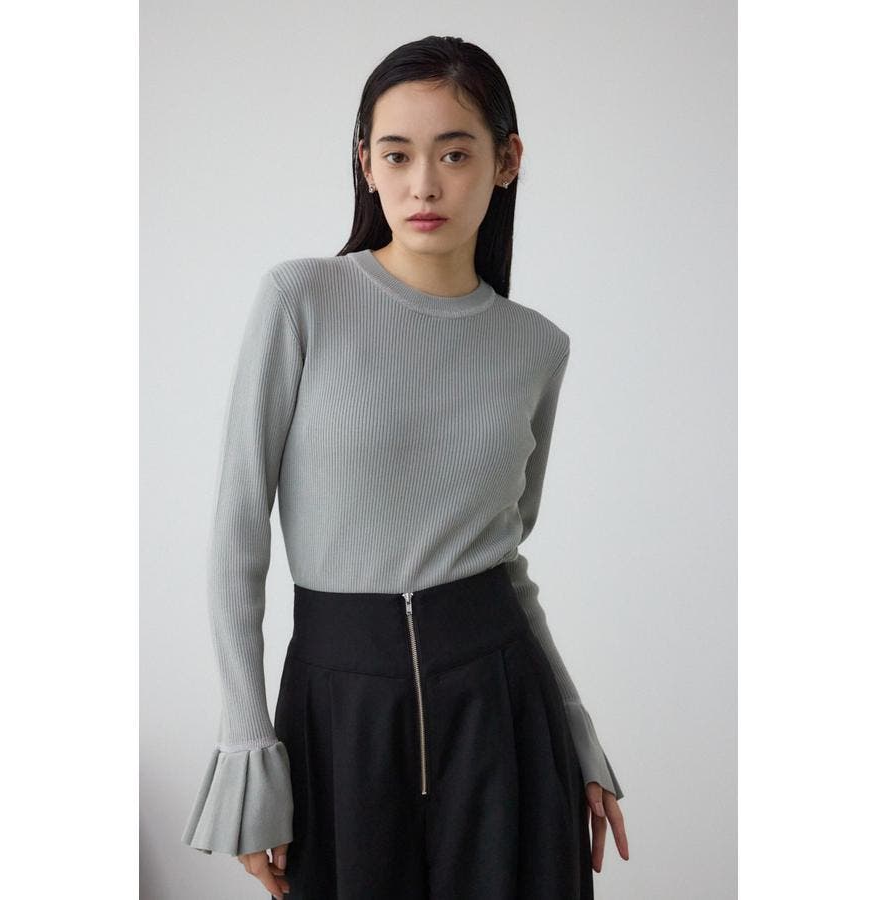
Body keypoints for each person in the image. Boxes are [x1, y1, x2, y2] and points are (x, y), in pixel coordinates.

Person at [181, 35, 629, 899]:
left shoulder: (535, 346)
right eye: (396, 154)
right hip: (337, 717)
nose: (423, 185)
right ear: (366, 164)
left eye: (455, 154)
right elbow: (238, 535)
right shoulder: (300, 301)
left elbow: (505, 559)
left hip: (504, 716)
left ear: (507, 161)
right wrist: (248, 746)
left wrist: (575, 730)